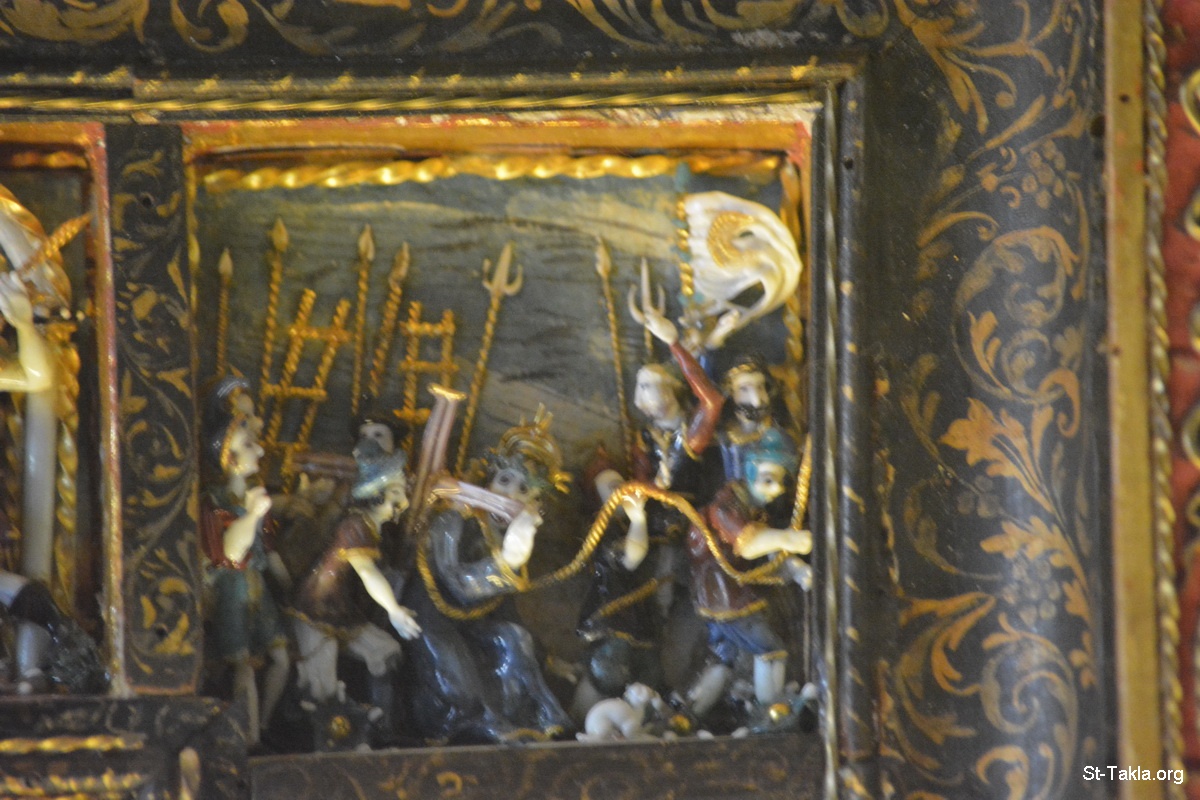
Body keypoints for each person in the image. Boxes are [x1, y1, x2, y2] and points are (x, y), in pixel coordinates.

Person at [402, 408, 573, 743]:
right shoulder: (455, 519)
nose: (508, 496)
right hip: (430, 615)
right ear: (487, 482)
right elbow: (458, 583)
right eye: (503, 481)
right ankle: (469, 725)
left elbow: (504, 608)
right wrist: (507, 561)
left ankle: (536, 716)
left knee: (514, 639)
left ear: (535, 504)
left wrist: (545, 657)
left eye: (523, 489)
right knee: (459, 686)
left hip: (472, 622)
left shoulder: (508, 536)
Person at [666, 428, 811, 726]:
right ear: (749, 472)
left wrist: (796, 569)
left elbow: (771, 555)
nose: (777, 489)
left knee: (723, 658)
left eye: (782, 481)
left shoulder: (753, 511)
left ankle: (687, 716)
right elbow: (748, 543)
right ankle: (769, 714)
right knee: (771, 651)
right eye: (768, 480)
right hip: (726, 597)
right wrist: (791, 539)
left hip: (721, 595)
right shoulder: (726, 507)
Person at [289, 442, 420, 737]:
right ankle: (322, 738)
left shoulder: (372, 528)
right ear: (377, 494)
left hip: (342, 609)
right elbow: (367, 572)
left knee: (386, 652)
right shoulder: (355, 527)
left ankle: (382, 725)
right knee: (321, 687)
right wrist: (393, 610)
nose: (403, 500)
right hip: (316, 606)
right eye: (396, 492)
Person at [199, 377, 290, 745]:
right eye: (250, 445)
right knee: (242, 666)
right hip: (232, 590)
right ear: (232, 460)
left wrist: (288, 583)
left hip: (257, 586)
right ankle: (249, 737)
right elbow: (230, 554)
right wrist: (252, 515)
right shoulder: (217, 500)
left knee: (281, 657)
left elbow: (267, 547)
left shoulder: (254, 497)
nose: (261, 450)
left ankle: (265, 724)